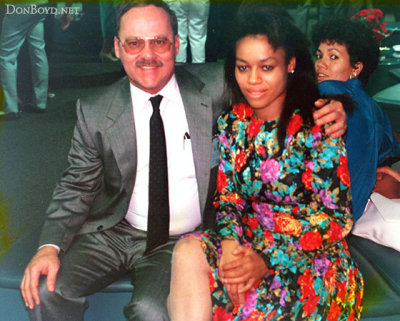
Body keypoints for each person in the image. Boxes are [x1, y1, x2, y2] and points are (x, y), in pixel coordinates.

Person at [20, 1, 347, 320]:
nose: (147, 55)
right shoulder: (94, 110)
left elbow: (277, 74)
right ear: (116, 47)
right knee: (48, 289)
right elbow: (76, 185)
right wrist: (49, 246)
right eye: (134, 43)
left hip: (183, 239)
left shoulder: (217, 85)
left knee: (153, 310)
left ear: (176, 44)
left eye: (159, 42)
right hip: (116, 231)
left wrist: (327, 105)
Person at [169, 3, 363, 321]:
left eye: (267, 67)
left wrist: (268, 259)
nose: (253, 81)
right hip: (250, 240)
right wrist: (230, 243)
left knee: (254, 308)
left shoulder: (320, 122)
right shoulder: (233, 122)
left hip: (310, 256)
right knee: (188, 252)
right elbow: (229, 197)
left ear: (290, 64)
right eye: (243, 68)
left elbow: (336, 218)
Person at [312, 17, 400, 221]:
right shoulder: (372, 105)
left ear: (356, 68)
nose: (321, 64)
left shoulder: (326, 93)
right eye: (319, 55)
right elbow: (389, 145)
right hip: (351, 212)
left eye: (333, 57)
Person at [0, 1, 49, 120]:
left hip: (19, 5)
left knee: (7, 56)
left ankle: (10, 107)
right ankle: (40, 102)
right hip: (41, 4)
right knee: (38, 51)